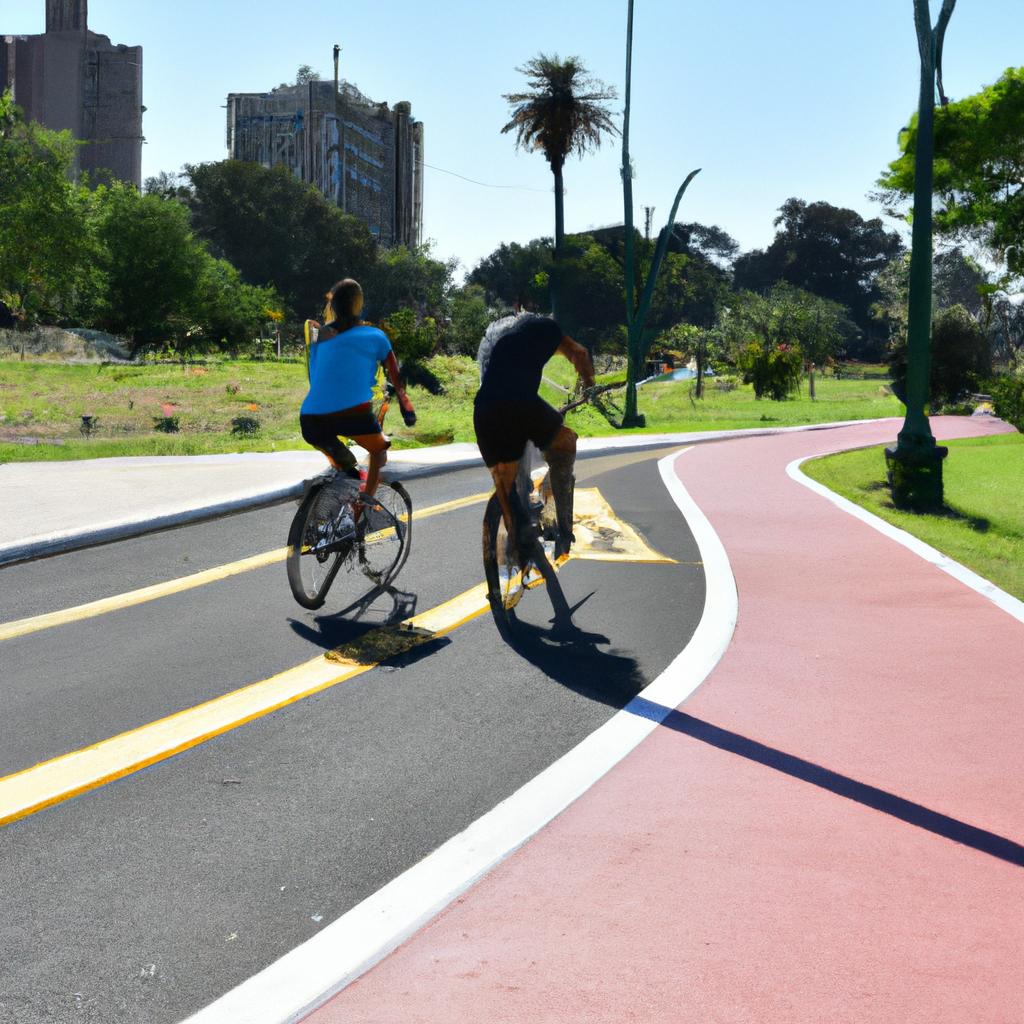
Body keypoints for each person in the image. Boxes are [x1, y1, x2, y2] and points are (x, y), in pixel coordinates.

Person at [474, 311, 594, 559]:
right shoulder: (549, 329)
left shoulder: (503, 339)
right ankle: (562, 525)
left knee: (503, 476)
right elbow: (579, 353)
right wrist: (589, 382)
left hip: (483, 409)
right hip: (520, 404)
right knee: (565, 443)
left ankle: (515, 537)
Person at [300, 278, 416, 497]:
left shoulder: (321, 337)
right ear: (359, 305)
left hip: (310, 419)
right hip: (353, 415)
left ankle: (336, 493)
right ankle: (361, 512)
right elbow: (396, 378)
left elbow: (316, 377)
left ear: (333, 306)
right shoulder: (375, 336)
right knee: (378, 453)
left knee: (343, 462)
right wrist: (406, 407)